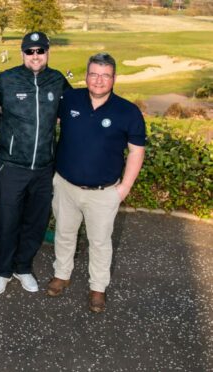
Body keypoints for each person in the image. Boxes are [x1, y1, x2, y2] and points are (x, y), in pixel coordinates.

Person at [47, 53, 146, 313]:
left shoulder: (128, 111)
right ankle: (62, 274)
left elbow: (136, 151)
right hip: (66, 186)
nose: (98, 80)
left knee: (100, 242)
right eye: (94, 74)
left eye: (105, 75)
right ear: (86, 75)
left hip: (103, 193)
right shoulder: (69, 100)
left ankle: (98, 287)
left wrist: (124, 188)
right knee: (64, 234)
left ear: (114, 79)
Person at [0, 32, 71, 295]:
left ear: (48, 52)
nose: (35, 56)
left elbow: (75, 110)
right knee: (8, 221)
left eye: (40, 51)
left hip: (44, 167)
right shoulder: (7, 79)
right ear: (22, 53)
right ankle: (2, 270)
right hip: (12, 165)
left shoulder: (57, 80)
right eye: (29, 51)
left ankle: (22, 267)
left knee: (35, 222)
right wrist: (6, 132)